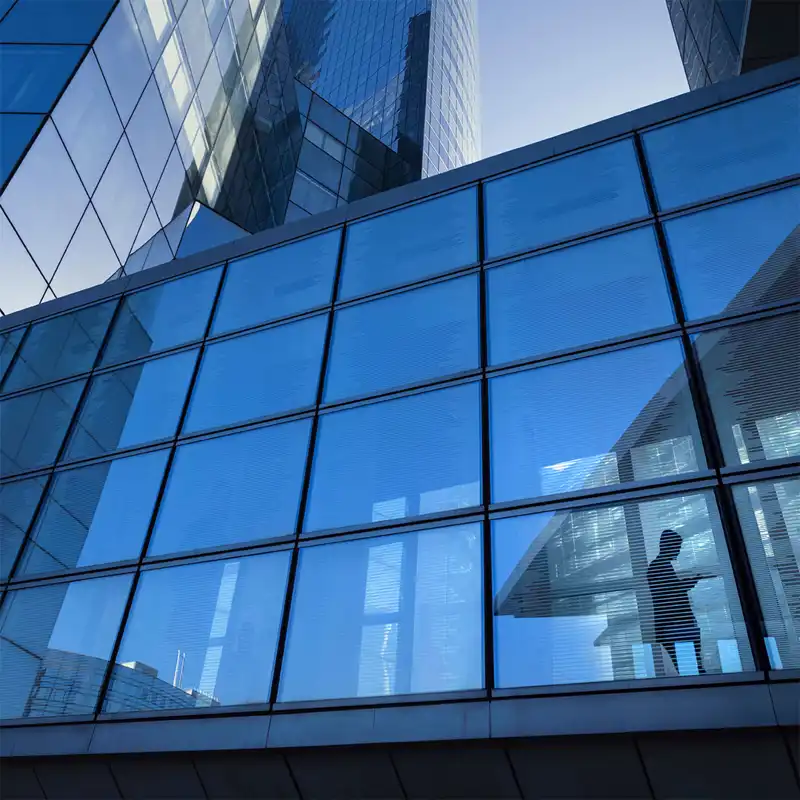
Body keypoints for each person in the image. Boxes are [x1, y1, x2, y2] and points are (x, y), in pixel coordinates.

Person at [647, 529, 708, 675]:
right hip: (675, 626)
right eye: (676, 547)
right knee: (690, 668)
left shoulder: (661, 566)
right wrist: (691, 581)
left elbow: (670, 589)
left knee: (689, 666)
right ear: (667, 545)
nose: (678, 551)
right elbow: (670, 592)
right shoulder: (659, 567)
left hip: (675, 625)